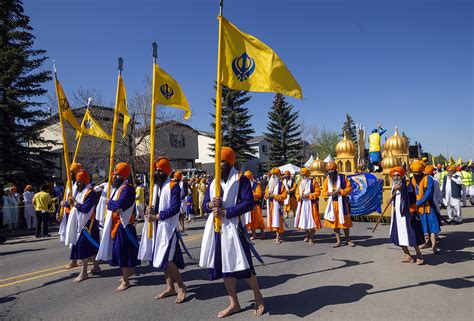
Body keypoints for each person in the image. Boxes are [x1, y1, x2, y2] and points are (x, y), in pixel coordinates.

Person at [200, 147, 264, 318]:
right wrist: (210, 205)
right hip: (217, 230)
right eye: (217, 163)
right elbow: (204, 204)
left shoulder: (241, 179)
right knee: (225, 270)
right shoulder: (214, 182)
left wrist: (226, 212)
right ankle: (234, 303)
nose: (218, 166)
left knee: (244, 267)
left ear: (229, 163)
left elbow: (248, 203)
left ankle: (258, 297)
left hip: (234, 229)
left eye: (221, 163)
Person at [139, 157, 187, 303]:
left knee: (167, 259)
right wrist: (149, 209)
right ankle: (169, 287)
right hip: (155, 227)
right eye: (156, 170)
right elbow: (153, 205)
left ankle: (181, 286)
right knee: (160, 259)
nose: (158, 172)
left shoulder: (173, 186)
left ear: (166, 171)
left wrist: (158, 216)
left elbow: (174, 208)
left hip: (168, 227)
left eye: (160, 170)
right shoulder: (154, 186)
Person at [96, 162, 140, 292]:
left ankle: (126, 281)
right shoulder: (117, 188)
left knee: (122, 252)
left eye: (117, 174)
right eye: (114, 174)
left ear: (124, 175)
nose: (114, 177)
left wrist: (109, 202)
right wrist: (111, 203)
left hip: (123, 225)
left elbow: (118, 205)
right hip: (116, 225)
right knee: (120, 252)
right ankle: (128, 272)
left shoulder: (128, 188)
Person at [64, 170, 101, 282]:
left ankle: (84, 272)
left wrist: (74, 203)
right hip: (81, 222)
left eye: (79, 181)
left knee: (82, 246)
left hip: (87, 224)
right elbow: (73, 202)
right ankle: (96, 266)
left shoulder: (91, 193)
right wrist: (66, 203)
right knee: (91, 247)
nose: (77, 183)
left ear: (85, 181)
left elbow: (85, 208)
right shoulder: (80, 191)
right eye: (77, 181)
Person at [388, 167, 424, 264]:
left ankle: (419, 255)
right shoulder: (393, 185)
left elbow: (412, 195)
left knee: (412, 234)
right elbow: (394, 198)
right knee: (399, 235)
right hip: (397, 214)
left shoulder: (407, 183)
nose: (396, 177)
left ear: (402, 175)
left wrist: (402, 189)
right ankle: (407, 255)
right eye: (394, 176)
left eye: (398, 175)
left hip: (407, 213)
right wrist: (391, 200)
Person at [410, 161, 441, 253]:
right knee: (422, 227)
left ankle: (434, 245)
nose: (417, 174)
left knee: (432, 227)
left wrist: (418, 202)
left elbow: (428, 193)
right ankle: (426, 242)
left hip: (429, 206)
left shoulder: (429, 179)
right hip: (418, 208)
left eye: (418, 172)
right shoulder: (412, 180)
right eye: (415, 172)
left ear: (422, 171)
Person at [322, 162, 355, 248]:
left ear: (336, 169)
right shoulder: (326, 180)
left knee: (345, 223)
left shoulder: (343, 177)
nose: (330, 171)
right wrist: (328, 193)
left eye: (332, 169)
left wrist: (340, 192)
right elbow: (323, 192)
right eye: (329, 170)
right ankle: (338, 241)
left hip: (342, 203)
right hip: (332, 204)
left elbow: (350, 188)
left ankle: (348, 240)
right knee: (335, 223)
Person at [294, 168, 322, 245]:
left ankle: (311, 239)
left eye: (304, 174)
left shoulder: (313, 182)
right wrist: (299, 196)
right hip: (302, 205)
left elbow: (318, 192)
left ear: (307, 174)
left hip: (311, 205)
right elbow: (296, 193)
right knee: (303, 221)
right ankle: (308, 235)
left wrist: (308, 195)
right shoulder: (299, 183)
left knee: (313, 221)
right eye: (301, 174)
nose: (302, 176)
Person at [264, 168, 288, 244]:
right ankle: (279, 235)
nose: (273, 176)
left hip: (277, 206)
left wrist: (275, 196)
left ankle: (278, 237)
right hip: (270, 206)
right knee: (273, 221)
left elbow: (284, 196)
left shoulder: (281, 185)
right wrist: (267, 196)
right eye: (272, 175)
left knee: (277, 221)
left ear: (278, 175)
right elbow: (265, 195)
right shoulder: (269, 185)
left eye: (275, 175)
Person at [244, 171, 265, 240]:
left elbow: (259, 194)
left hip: (256, 205)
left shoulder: (256, 185)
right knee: (251, 220)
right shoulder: (244, 186)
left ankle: (262, 233)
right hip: (248, 205)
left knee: (259, 219)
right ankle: (254, 234)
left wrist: (250, 195)